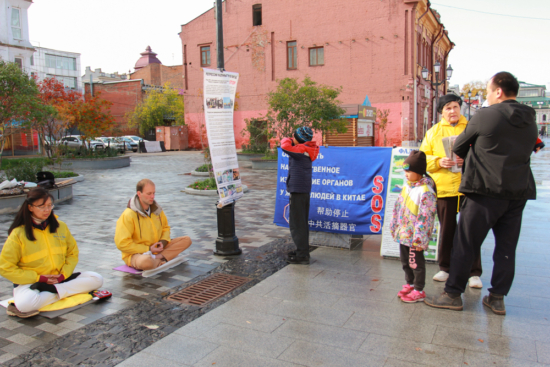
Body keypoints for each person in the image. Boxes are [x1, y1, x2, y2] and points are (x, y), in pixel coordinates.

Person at [424, 72, 538, 315]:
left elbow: (459, 147)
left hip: (484, 190)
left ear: (498, 91)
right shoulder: (531, 118)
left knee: (465, 242)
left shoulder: (486, 115)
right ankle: (497, 298)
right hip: (517, 192)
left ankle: (453, 294)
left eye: (488, 91)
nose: (486, 95)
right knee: (506, 248)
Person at [0, 188, 104, 318]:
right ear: (30, 207)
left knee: (97, 278)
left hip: (59, 278)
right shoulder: (18, 233)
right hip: (32, 282)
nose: (47, 210)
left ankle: (53, 291)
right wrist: (39, 278)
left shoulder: (60, 227)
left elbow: (72, 253)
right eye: (41, 206)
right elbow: (5, 268)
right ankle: (60, 292)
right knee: (25, 305)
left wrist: (63, 275)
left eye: (49, 205)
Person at [420, 94, 483, 289]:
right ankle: (445, 267)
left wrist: (469, 161)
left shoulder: (473, 128)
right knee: (447, 230)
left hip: (469, 187)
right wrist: (439, 162)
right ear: (441, 112)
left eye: (455, 107)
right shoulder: (433, 132)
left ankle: (474, 272)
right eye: (447, 108)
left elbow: (484, 153)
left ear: (460, 108)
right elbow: (422, 157)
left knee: (471, 230)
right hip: (445, 188)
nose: (452, 111)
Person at [115, 179, 192, 270]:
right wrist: (148, 249)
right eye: (149, 194)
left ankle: (157, 258)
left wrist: (162, 242)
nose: (152, 196)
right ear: (139, 194)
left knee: (187, 240)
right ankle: (162, 259)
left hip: (157, 249)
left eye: (154, 193)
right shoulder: (128, 215)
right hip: (137, 254)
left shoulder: (157, 210)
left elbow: (166, 228)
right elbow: (122, 244)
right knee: (145, 262)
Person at [391, 151, 437, 303]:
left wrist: (420, 239)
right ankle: (409, 284)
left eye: (409, 171)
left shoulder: (426, 191)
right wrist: (394, 226)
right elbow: (398, 207)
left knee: (415, 262)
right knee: (405, 262)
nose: (406, 174)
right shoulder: (407, 187)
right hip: (404, 234)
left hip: (415, 238)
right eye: (405, 171)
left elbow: (426, 217)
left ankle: (419, 289)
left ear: (419, 172)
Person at [281, 126, 319, 264]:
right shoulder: (306, 149)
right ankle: (301, 250)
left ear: (299, 139)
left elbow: (285, 145)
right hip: (303, 189)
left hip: (298, 190)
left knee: (297, 223)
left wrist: (288, 139)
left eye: (294, 136)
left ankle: (302, 254)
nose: (292, 138)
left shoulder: (300, 150)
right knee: (301, 221)